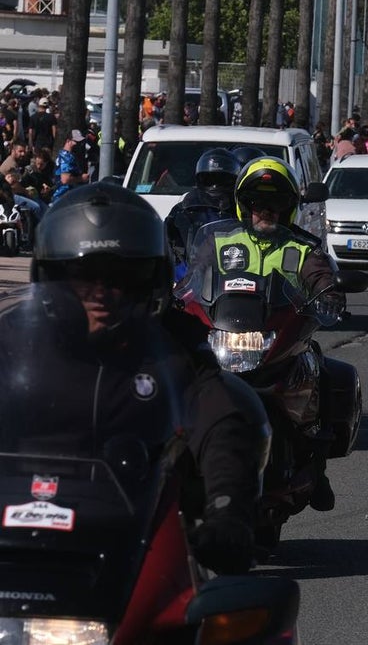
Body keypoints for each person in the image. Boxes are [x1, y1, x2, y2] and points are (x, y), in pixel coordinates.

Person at [7, 182, 270, 575]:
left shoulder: (174, 351)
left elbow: (219, 423)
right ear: (52, 279)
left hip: (135, 549)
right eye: (82, 277)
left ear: (149, 280)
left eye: (120, 278)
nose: (100, 293)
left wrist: (227, 510)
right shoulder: (12, 343)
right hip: (15, 536)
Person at [211, 156, 346, 510]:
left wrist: (329, 297)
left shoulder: (301, 248)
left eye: (275, 204)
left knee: (321, 367)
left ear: (288, 208)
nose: (265, 211)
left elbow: (323, 281)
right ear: (244, 205)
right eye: (258, 203)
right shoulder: (220, 241)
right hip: (227, 336)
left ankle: (317, 461)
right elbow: (190, 276)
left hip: (281, 339)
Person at [165, 148, 242, 268]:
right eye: (210, 179)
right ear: (200, 179)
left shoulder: (242, 208)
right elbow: (168, 245)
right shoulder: (185, 209)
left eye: (223, 179)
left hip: (235, 270)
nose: (215, 185)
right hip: (192, 274)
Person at [51, 130, 86, 202]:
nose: (78, 144)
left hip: (67, 196)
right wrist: (81, 178)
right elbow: (65, 179)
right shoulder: (66, 157)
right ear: (68, 141)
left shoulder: (65, 155)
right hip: (63, 197)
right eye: (76, 141)